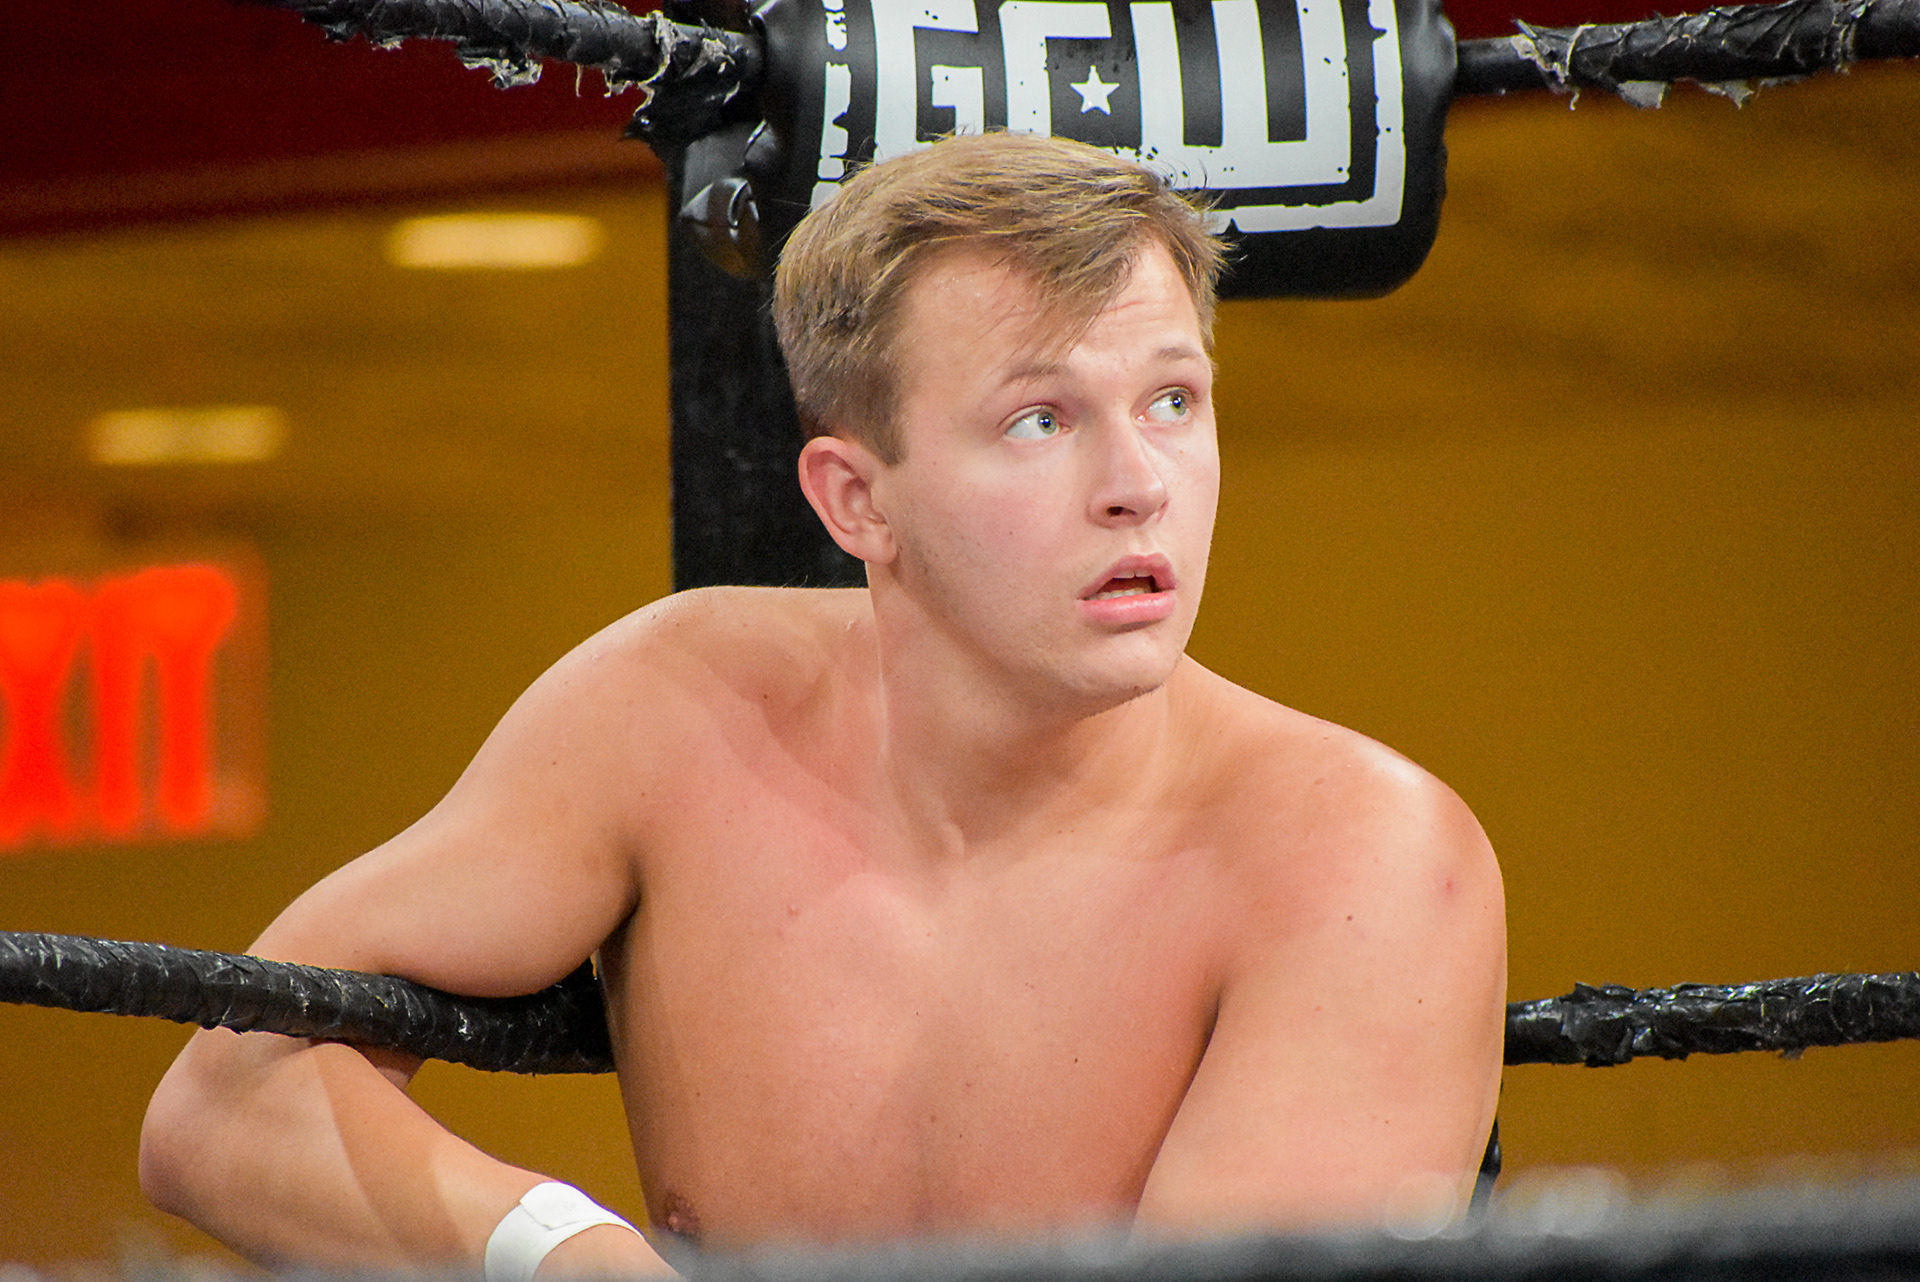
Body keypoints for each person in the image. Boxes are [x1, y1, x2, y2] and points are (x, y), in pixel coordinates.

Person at [139, 131, 1506, 1279]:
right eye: (1040, 419)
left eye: (1171, 401)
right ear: (857, 500)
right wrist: (568, 1254)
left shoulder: (1359, 862)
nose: (1138, 484)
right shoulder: (675, 711)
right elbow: (223, 1102)